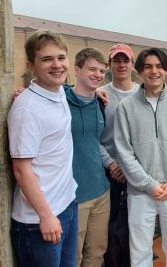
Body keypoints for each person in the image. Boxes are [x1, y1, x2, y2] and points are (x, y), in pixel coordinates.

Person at [114, 48, 167, 267]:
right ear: (139, 71)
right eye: (148, 67)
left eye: (158, 66)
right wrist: (148, 184)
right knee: (139, 255)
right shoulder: (126, 107)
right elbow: (124, 151)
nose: (153, 71)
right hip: (140, 193)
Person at [8, 30, 78, 266]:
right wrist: (46, 216)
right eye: (47, 59)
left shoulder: (58, 94)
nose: (57, 65)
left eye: (61, 57)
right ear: (31, 65)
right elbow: (21, 170)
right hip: (40, 221)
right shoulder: (27, 109)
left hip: (67, 205)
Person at [65, 48, 110, 267]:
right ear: (77, 70)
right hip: (74, 195)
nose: (98, 75)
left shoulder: (100, 103)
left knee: (96, 253)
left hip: (101, 190)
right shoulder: (60, 100)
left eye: (101, 71)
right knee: (73, 255)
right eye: (92, 69)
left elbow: (96, 142)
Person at [99, 44, 138, 266]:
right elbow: (91, 136)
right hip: (108, 174)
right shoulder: (100, 94)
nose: (121, 65)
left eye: (125, 61)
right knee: (110, 234)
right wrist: (112, 165)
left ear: (132, 65)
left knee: (137, 233)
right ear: (110, 65)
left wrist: (130, 168)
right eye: (116, 61)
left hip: (137, 176)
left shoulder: (143, 95)